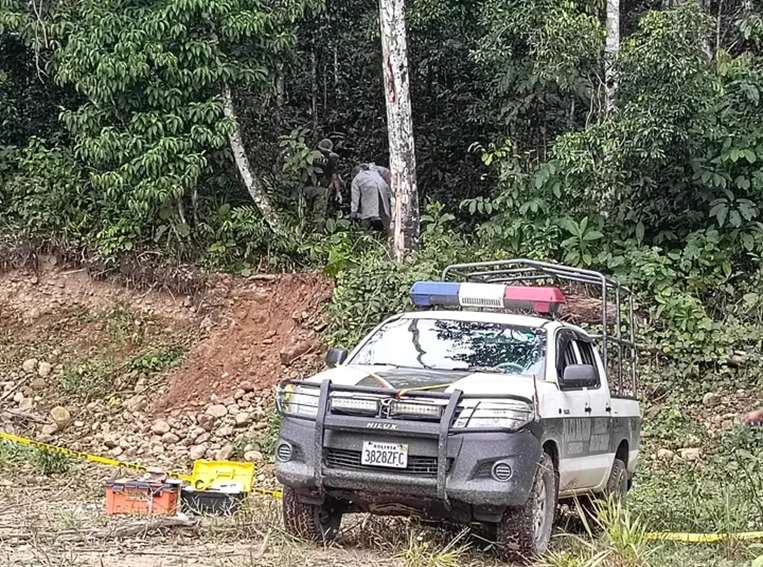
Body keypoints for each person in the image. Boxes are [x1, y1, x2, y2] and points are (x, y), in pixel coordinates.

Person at [304, 138, 341, 230]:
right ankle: (316, 234)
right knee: (318, 215)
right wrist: (338, 192)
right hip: (321, 190)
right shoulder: (331, 159)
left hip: (307, 187)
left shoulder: (309, 155)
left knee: (306, 211)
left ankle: (304, 230)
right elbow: (334, 177)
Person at [350, 162, 392, 232]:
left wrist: (353, 212)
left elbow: (355, 197)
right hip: (383, 187)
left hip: (369, 188)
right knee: (384, 212)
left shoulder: (356, 178)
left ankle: (366, 232)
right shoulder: (374, 173)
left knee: (368, 215)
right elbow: (386, 187)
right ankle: (387, 231)